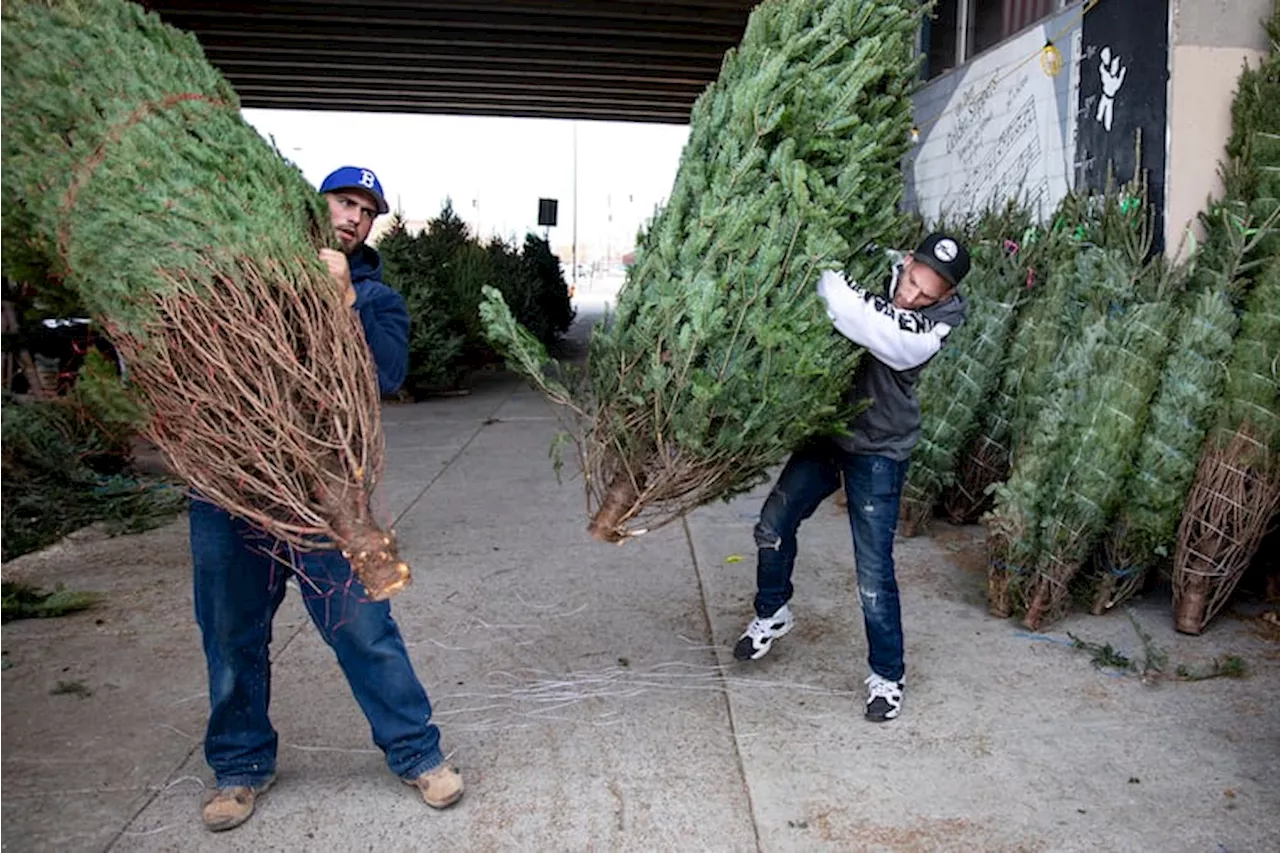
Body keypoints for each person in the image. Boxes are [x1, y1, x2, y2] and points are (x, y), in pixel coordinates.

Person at [193, 166, 462, 832]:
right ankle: (239, 765)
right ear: (315, 207)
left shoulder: (376, 299)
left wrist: (342, 302)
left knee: (363, 627)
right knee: (231, 633)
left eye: (367, 212)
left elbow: (387, 376)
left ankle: (416, 752)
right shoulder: (247, 278)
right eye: (345, 202)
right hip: (234, 487)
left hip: (325, 497)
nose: (353, 218)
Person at [733, 232, 970, 723]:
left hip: (880, 449)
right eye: (910, 282)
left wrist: (830, 281)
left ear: (945, 298)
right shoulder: (872, 266)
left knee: (873, 572)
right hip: (829, 428)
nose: (911, 297)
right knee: (772, 524)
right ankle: (772, 612)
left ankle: (888, 675)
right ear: (905, 261)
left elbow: (866, 323)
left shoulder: (937, 326)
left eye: (927, 296)